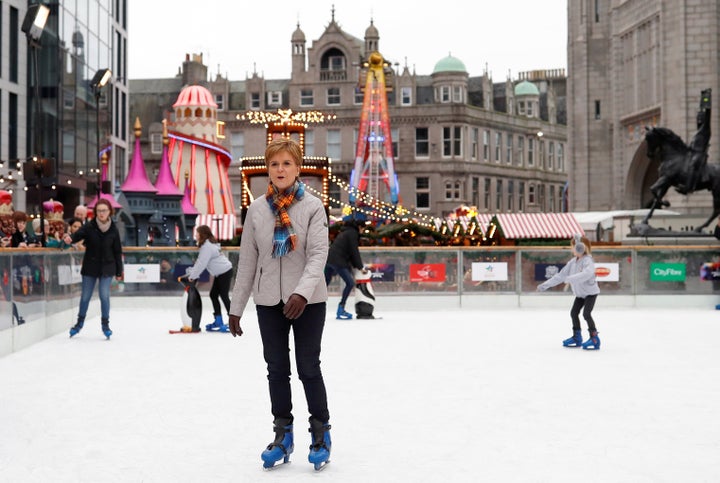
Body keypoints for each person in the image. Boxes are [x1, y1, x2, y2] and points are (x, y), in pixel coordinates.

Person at [228, 137, 332, 471]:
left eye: (287, 163)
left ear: (298, 168)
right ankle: (282, 435)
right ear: (267, 170)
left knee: (308, 368)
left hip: (309, 301)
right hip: (269, 300)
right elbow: (247, 262)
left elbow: (318, 255)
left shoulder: (313, 207)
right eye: (274, 164)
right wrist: (235, 306)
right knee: (276, 370)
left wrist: (302, 292)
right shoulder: (257, 209)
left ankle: (320, 434)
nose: (280, 169)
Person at [63, 199, 123, 339]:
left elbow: (117, 251)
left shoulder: (114, 229)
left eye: (104, 210)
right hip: (91, 266)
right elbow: (78, 234)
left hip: (107, 267)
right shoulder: (90, 226)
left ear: (109, 212)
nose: (101, 213)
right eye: (99, 211)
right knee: (85, 297)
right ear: (95, 212)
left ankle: (105, 325)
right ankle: (79, 324)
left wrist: (119, 270)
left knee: (104, 296)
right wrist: (70, 238)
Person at [537, 234, 601, 350]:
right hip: (580, 294)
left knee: (586, 314)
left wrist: (570, 279)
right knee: (573, 313)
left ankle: (594, 338)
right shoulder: (573, 262)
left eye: (573, 247)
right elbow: (561, 276)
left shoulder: (588, 261)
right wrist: (545, 285)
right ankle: (577, 337)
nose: (572, 249)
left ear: (580, 247)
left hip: (590, 293)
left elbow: (587, 274)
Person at [183, 225, 233, 332]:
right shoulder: (206, 245)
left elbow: (201, 264)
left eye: (197, 233)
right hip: (221, 272)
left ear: (202, 234)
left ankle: (233, 321)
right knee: (213, 295)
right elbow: (199, 263)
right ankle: (218, 320)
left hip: (224, 271)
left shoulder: (207, 247)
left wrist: (192, 276)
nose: (195, 235)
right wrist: (191, 272)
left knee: (223, 296)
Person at [324, 218, 365, 319]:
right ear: (360, 227)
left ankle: (312, 307)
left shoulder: (346, 232)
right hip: (337, 261)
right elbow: (354, 251)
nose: (363, 231)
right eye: (363, 229)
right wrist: (360, 267)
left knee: (324, 285)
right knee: (350, 283)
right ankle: (341, 308)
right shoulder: (352, 234)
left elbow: (348, 252)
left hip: (330, 259)